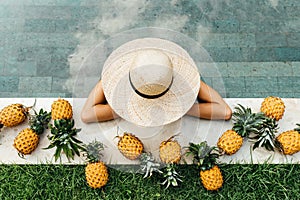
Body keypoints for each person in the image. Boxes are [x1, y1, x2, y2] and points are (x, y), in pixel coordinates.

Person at [81, 38, 232, 125]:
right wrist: (185, 108)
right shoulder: (175, 77)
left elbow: (87, 115)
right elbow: (224, 111)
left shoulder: (170, 75)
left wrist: (109, 79)